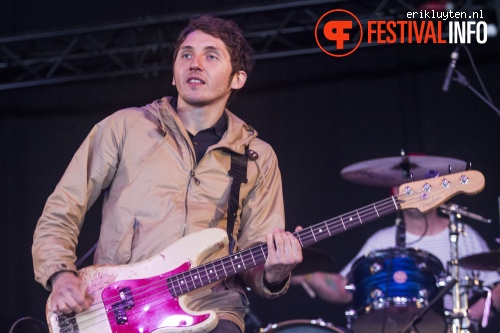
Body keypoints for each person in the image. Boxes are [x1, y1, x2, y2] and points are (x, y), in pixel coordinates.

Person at [32, 14, 303, 333]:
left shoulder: (257, 156)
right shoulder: (124, 127)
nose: (195, 63)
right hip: (124, 305)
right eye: (186, 54)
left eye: (211, 55)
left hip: (211, 308)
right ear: (174, 75)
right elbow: (62, 209)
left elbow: (255, 263)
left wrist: (275, 272)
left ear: (237, 78)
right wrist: (61, 274)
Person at [291, 202, 500, 331]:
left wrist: (463, 320)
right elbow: (345, 289)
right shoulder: (382, 240)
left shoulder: (462, 235)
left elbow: (497, 289)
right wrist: (303, 275)